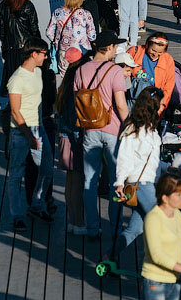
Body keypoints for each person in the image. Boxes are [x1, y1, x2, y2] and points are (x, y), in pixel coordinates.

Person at [72, 31, 130, 238]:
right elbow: (121, 106)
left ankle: (92, 227)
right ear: (111, 48)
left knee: (90, 179)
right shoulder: (114, 71)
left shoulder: (81, 70)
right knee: (117, 180)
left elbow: (76, 99)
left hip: (89, 129)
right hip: (112, 130)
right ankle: (114, 226)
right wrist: (130, 127)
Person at [8, 39, 55, 231]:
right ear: (33, 54)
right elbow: (14, 110)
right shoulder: (17, 79)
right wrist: (29, 135)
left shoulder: (37, 72)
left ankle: (36, 204)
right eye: (44, 53)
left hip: (39, 127)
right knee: (16, 174)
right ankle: (17, 215)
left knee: (46, 169)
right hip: (21, 131)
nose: (46, 57)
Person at [111, 90, 163, 261]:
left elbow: (153, 160)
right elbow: (124, 157)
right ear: (152, 106)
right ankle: (156, 264)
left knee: (134, 229)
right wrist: (119, 182)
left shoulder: (150, 128)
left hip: (149, 183)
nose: (163, 106)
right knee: (162, 221)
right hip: (141, 184)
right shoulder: (133, 129)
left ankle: (109, 257)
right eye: (160, 103)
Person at [141, 174, 181, 299]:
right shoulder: (153, 218)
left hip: (175, 279)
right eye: (179, 194)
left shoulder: (177, 214)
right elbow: (157, 255)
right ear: (165, 198)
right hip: (156, 282)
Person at [0, 0, 42, 96]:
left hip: (10, 49)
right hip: (27, 49)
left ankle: (12, 110)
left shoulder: (3, 6)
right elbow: (34, 29)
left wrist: (5, 47)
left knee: (14, 86)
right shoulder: (28, 6)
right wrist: (40, 48)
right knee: (28, 85)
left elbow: (3, 30)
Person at [46, 0, 97, 77]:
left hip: (64, 51)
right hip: (83, 51)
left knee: (66, 81)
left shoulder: (57, 13)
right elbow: (92, 35)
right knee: (83, 79)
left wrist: (58, 40)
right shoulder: (86, 14)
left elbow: (49, 33)